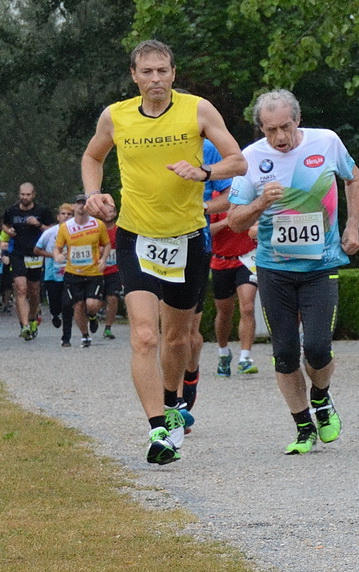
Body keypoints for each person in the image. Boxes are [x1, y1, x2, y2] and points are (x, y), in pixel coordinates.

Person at [82, 40, 247, 464]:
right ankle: (157, 429)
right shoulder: (115, 116)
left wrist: (204, 171)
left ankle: (172, 403)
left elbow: (238, 162)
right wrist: (93, 193)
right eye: (147, 72)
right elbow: (92, 156)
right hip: (136, 236)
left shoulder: (198, 110)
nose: (155, 79)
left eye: (162, 71)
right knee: (144, 335)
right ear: (134, 76)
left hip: (186, 239)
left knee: (176, 337)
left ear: (173, 73)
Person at [223, 90, 359, 454]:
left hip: (321, 265)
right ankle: (303, 426)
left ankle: (321, 396)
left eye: (285, 127)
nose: (280, 137)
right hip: (274, 268)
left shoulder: (326, 141)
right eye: (271, 130)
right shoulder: (251, 158)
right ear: (261, 129)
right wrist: (261, 202)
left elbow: (354, 178)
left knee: (317, 348)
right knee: (284, 353)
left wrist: (352, 226)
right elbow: (235, 221)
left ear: (298, 120)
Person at [204, 138, 260, 377]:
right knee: (224, 312)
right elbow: (207, 229)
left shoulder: (250, 195)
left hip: (246, 258)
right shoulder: (217, 198)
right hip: (220, 259)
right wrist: (230, 221)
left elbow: (256, 224)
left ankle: (245, 357)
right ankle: (223, 351)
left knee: (247, 307)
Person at [55, 194, 111, 349]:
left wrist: (103, 259)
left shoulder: (98, 225)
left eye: (84, 203)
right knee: (78, 305)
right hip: (74, 273)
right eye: (78, 203)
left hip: (94, 272)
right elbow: (57, 247)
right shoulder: (65, 227)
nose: (81, 206)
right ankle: (85, 335)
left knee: (91, 304)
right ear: (74, 206)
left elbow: (107, 244)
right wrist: (57, 255)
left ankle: (92, 316)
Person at [3, 182, 47, 338]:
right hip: (17, 254)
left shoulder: (41, 211)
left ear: (33, 195)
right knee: (21, 288)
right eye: (22, 194)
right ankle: (24, 325)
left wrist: (38, 224)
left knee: (34, 290)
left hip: (35, 253)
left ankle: (33, 317)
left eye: (28, 194)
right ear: (19, 195)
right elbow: (5, 225)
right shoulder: (11, 211)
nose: (25, 197)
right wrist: (9, 231)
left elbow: (53, 230)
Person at [36, 204, 73, 345]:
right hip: (52, 274)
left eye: (69, 214)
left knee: (67, 303)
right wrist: (51, 255)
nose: (66, 216)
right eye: (63, 214)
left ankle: (66, 336)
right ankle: (55, 314)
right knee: (55, 303)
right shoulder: (50, 232)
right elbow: (36, 249)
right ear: (58, 216)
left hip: (71, 273)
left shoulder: (76, 231)